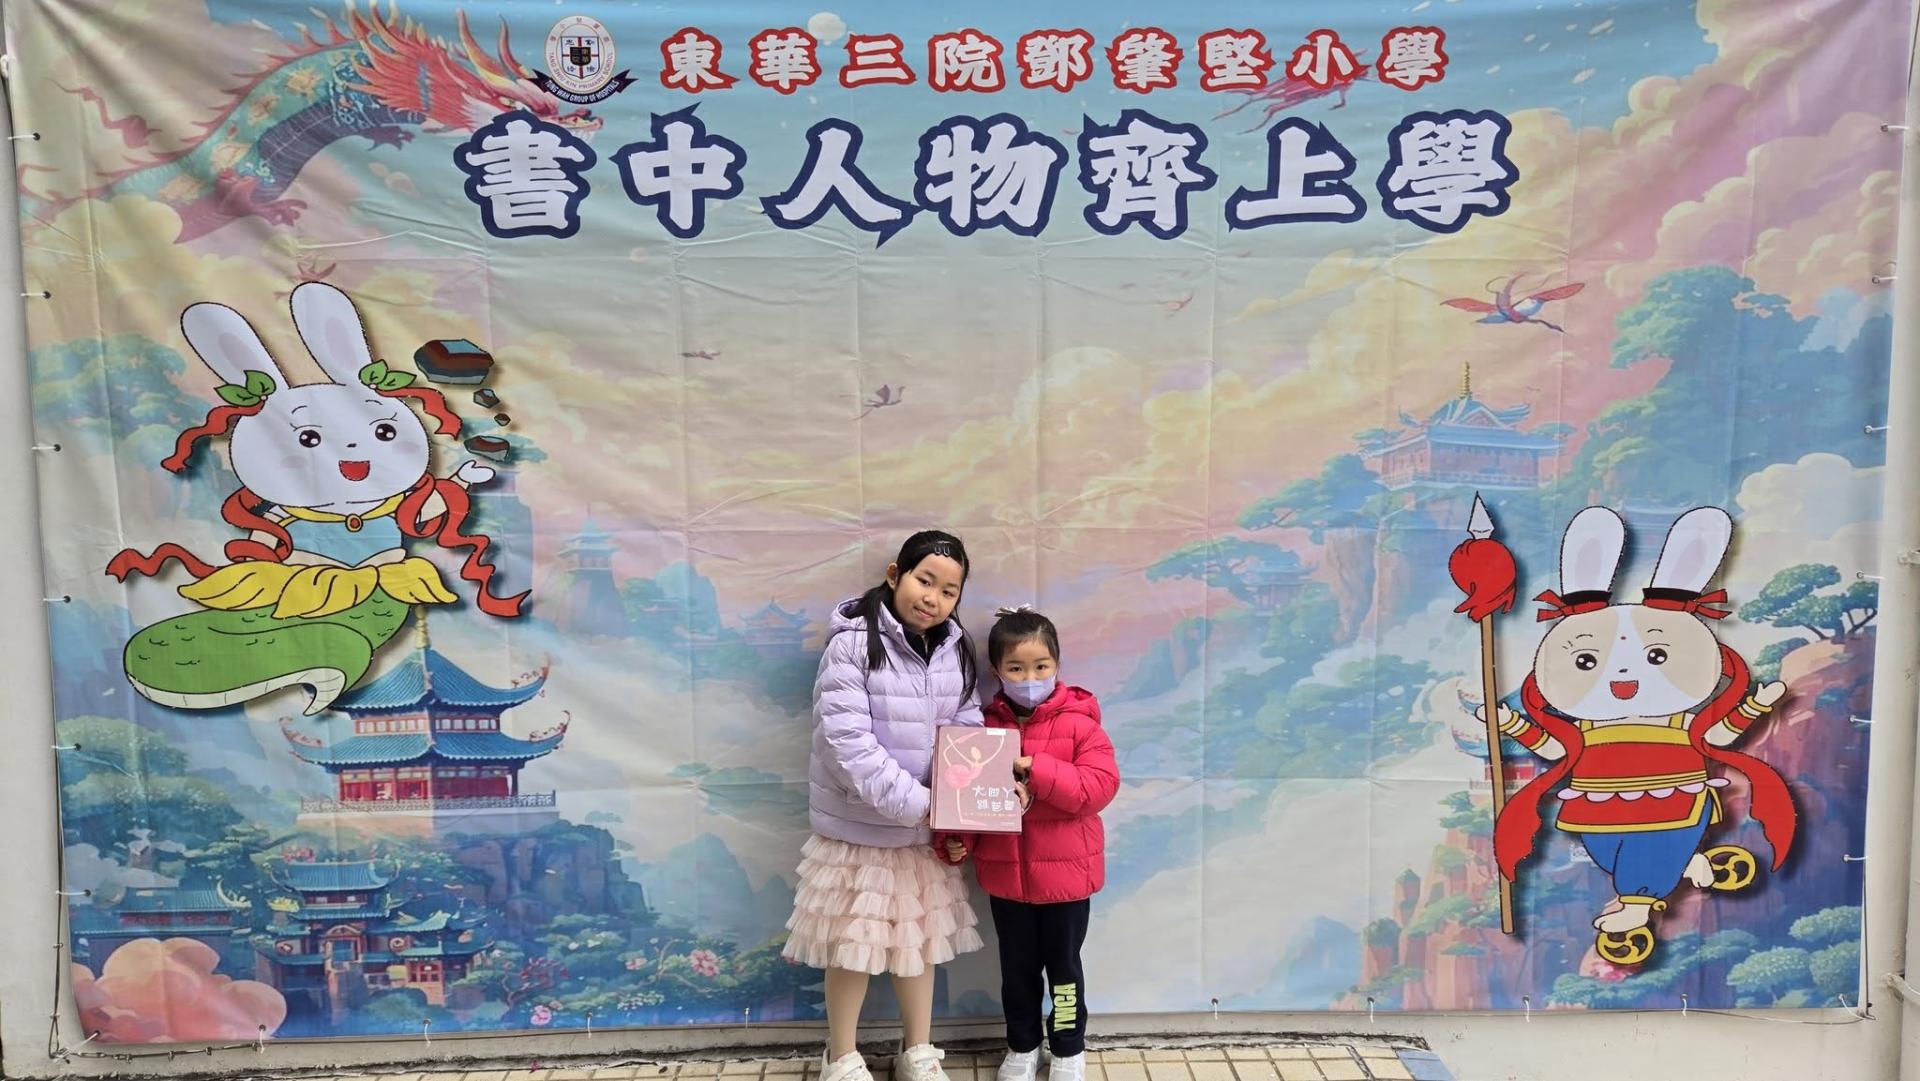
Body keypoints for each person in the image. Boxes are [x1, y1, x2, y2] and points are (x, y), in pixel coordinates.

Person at [782, 531, 987, 1081]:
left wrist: (960, 804)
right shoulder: (851, 645)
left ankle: (917, 1050)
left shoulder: (956, 649)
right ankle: (841, 1054)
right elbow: (848, 745)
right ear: (896, 574)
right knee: (851, 948)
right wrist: (926, 806)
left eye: (949, 591)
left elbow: (966, 727)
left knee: (917, 944)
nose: (933, 598)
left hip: (921, 835)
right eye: (925, 581)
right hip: (859, 831)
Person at [939, 606, 1119, 1081]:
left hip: (1067, 880)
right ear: (996, 671)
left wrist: (1036, 768)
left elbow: (1096, 789)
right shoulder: (981, 728)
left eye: (1041, 666)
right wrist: (956, 839)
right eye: (1016, 668)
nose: (1030, 678)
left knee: (1064, 969)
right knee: (1016, 971)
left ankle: (1068, 1048)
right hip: (1007, 878)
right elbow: (967, 795)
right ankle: (1021, 1045)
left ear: (1057, 664)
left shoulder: (1081, 724)